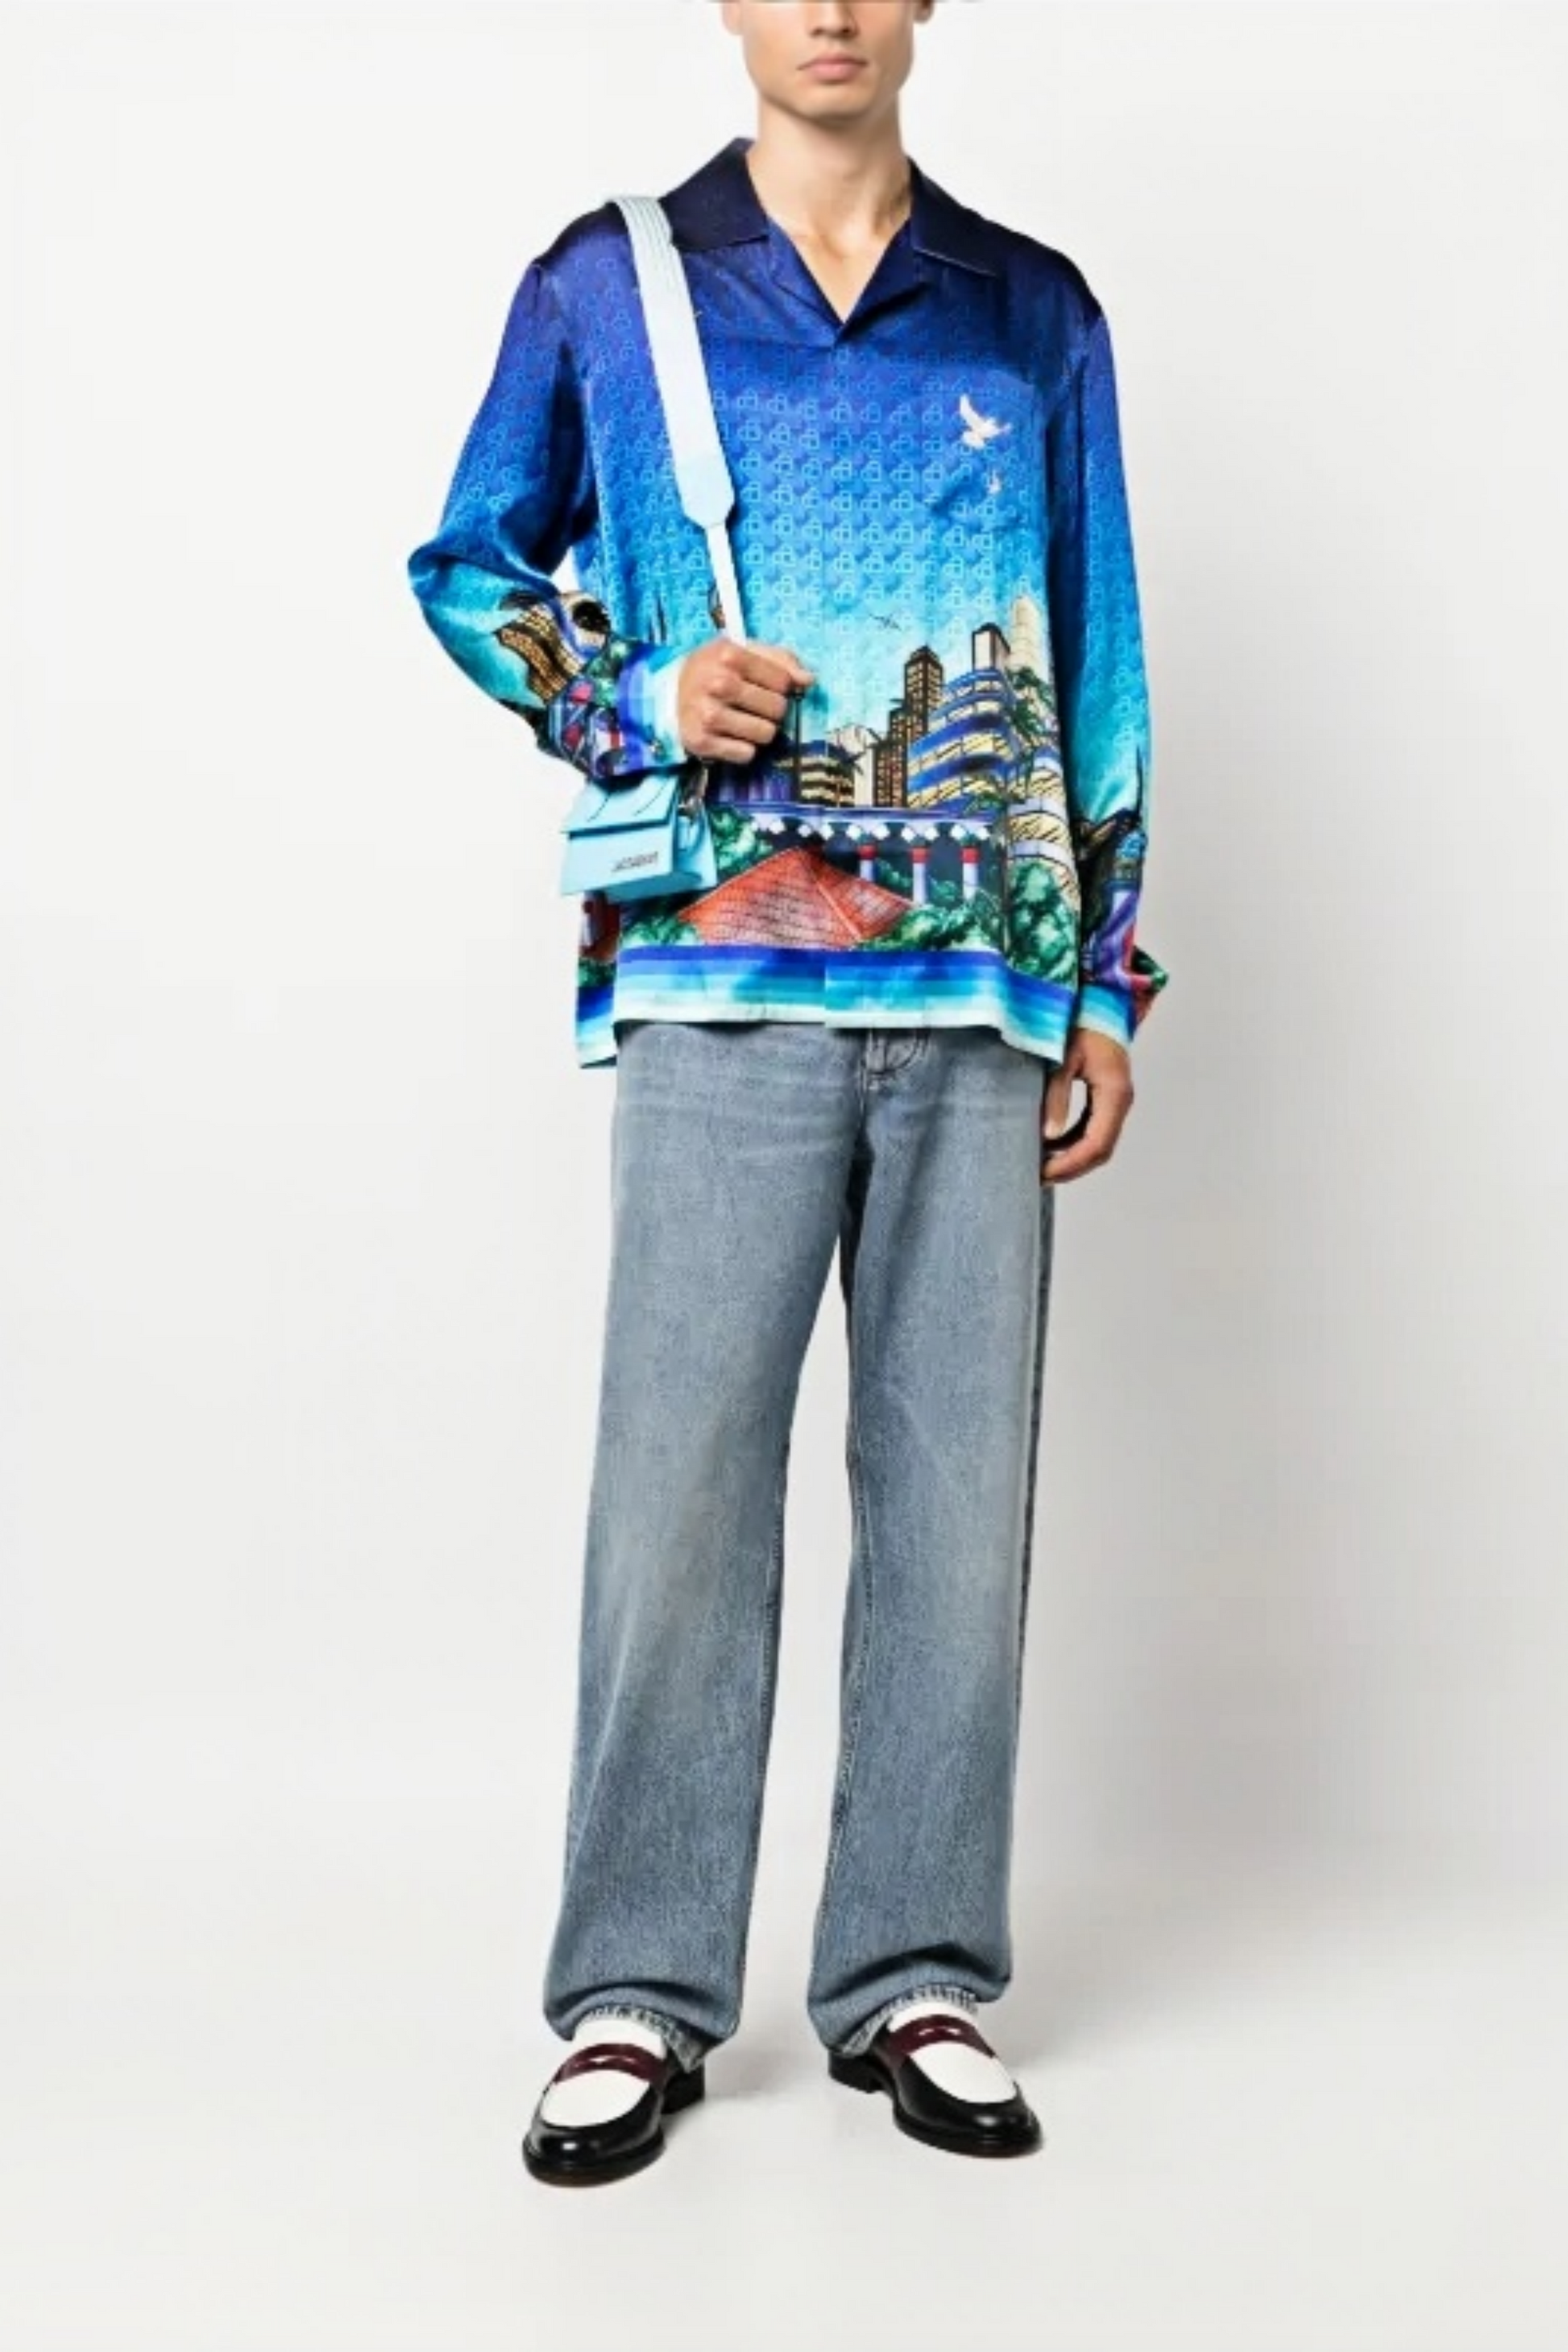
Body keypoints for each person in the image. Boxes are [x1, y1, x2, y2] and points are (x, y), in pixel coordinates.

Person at [405, 0, 1167, 2186]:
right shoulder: (610, 284)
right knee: (677, 1493)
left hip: (983, 994)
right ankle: (635, 1993)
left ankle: (915, 1969)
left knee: (958, 1504)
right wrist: (640, 694)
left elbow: (1102, 650)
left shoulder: (1034, 312)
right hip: (716, 981)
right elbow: (467, 565)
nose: (828, 7)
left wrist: (1109, 979)